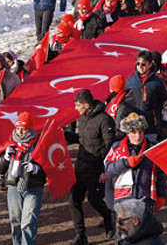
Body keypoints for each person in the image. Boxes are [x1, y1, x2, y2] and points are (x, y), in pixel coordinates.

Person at [67, 89, 116, 244]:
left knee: (95, 200)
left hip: (95, 169)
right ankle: (80, 235)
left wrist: (101, 167)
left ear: (87, 105)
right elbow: (81, 139)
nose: (76, 108)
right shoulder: (82, 119)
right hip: (81, 167)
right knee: (74, 199)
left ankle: (108, 217)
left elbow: (109, 146)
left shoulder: (104, 120)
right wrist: (63, 135)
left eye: (78, 105)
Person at [0, 113, 46, 245]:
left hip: (33, 187)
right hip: (13, 186)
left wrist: (36, 169)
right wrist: (6, 158)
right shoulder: (11, 143)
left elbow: (48, 166)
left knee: (28, 223)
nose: (20, 132)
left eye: (23, 129)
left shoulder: (38, 143)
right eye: (18, 128)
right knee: (16, 222)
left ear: (29, 129)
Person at [104, 113, 167, 212]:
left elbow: (161, 174)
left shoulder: (153, 148)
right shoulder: (116, 148)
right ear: (127, 133)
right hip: (123, 201)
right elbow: (108, 170)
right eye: (134, 132)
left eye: (140, 132)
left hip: (146, 200)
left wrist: (161, 196)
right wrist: (125, 163)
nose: (138, 136)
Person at [122, 51, 167, 140]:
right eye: (138, 63)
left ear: (150, 64)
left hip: (151, 124)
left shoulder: (157, 82)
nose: (140, 66)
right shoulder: (129, 82)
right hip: (134, 125)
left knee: (150, 149)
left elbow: (163, 99)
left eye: (143, 64)